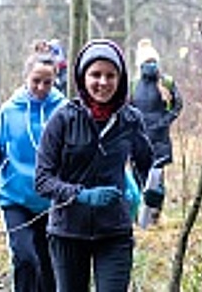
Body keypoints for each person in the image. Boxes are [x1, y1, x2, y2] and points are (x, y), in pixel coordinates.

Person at [35, 39, 154, 291]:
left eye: (111, 75)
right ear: (82, 77)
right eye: (95, 74)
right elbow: (42, 180)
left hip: (114, 230)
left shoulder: (131, 119)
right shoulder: (63, 119)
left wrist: (151, 187)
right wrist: (81, 194)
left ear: (120, 79)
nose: (103, 82)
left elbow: (145, 163)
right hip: (67, 231)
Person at [0, 52, 66, 292]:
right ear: (26, 79)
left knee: (49, 263)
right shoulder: (9, 110)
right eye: (36, 81)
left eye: (47, 82)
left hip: (51, 199)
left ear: (55, 80)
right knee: (25, 259)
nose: (41, 87)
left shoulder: (63, 110)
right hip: (15, 198)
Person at [129, 38, 183, 223]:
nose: (150, 65)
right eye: (146, 62)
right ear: (140, 64)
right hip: (138, 141)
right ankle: (138, 216)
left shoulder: (166, 82)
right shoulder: (133, 84)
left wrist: (164, 121)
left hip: (160, 140)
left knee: (156, 180)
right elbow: (126, 109)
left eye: (153, 62)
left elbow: (178, 105)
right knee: (138, 179)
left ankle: (154, 216)